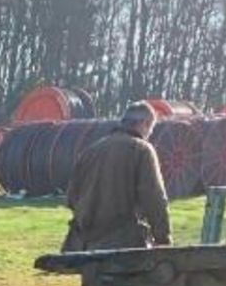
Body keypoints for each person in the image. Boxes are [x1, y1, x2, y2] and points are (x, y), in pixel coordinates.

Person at [63, 102, 171, 252]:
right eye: (150, 130)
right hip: (125, 247)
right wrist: (163, 240)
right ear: (144, 123)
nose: (149, 135)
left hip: (86, 246)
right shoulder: (141, 149)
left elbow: (71, 199)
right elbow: (154, 199)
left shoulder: (91, 151)